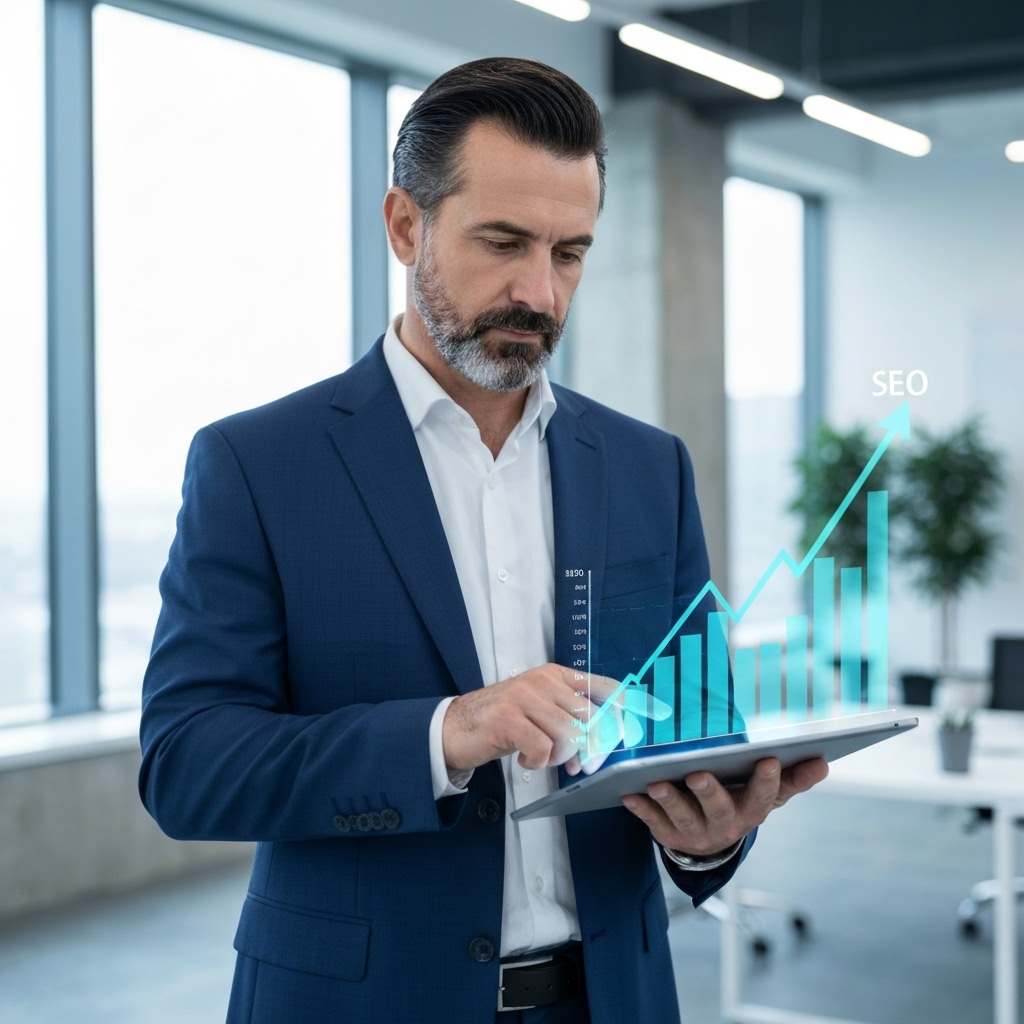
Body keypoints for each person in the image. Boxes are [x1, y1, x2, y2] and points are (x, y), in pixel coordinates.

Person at [139, 57, 827, 1024]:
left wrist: (708, 835)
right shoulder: (258, 465)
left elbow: (694, 738)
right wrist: (450, 731)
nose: (539, 293)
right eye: (504, 242)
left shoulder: (648, 468)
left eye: (570, 252)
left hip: (611, 1000)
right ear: (405, 225)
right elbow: (187, 765)